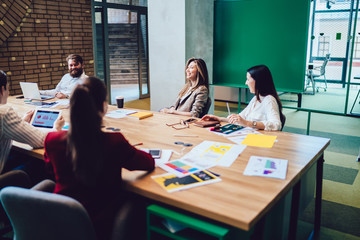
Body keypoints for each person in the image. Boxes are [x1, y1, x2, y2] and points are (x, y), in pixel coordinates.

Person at [43, 76, 155, 240]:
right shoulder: (114, 141)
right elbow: (148, 163)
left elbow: (50, 171)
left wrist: (56, 130)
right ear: (104, 107)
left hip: (60, 223)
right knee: (138, 201)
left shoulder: (52, 140)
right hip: (102, 226)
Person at [0, 70, 63, 176]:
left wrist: (21, 123)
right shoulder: (4, 112)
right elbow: (41, 140)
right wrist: (56, 128)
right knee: (40, 162)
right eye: (8, 88)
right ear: (2, 90)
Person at [202, 65, 285, 131]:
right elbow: (240, 118)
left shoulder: (269, 100)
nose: (246, 83)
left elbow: (276, 124)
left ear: (258, 81)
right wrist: (218, 118)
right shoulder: (256, 98)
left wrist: (248, 123)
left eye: (248, 80)